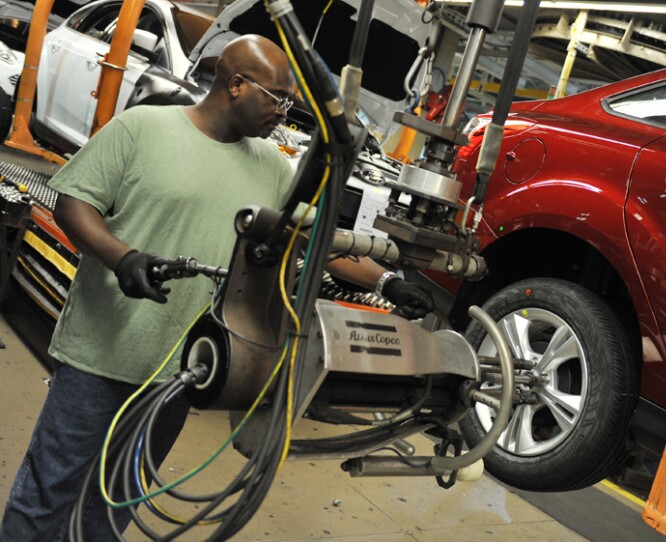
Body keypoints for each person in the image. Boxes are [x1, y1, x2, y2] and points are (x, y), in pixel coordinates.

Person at [0, 34, 433, 541]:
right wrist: (123, 258)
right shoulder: (144, 128)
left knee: (117, 503)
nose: (283, 112)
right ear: (235, 84)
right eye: (276, 99)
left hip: (183, 372)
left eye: (290, 102)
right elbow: (74, 202)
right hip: (101, 356)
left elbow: (314, 243)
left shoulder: (273, 167)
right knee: (48, 491)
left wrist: (385, 279)